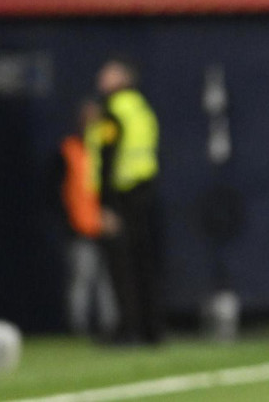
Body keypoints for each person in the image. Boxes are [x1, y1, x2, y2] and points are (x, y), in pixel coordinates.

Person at [94, 58, 162, 345]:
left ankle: (127, 329)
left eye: (108, 73)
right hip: (146, 193)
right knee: (145, 265)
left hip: (122, 197)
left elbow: (108, 156)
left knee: (122, 268)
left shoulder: (114, 110)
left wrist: (106, 204)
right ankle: (151, 330)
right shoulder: (142, 108)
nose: (101, 77)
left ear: (121, 78)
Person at [58, 98, 117, 337]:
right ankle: (78, 328)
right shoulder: (69, 149)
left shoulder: (106, 149)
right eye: (87, 117)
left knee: (108, 283)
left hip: (105, 226)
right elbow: (59, 192)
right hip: (79, 227)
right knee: (81, 281)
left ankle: (110, 326)